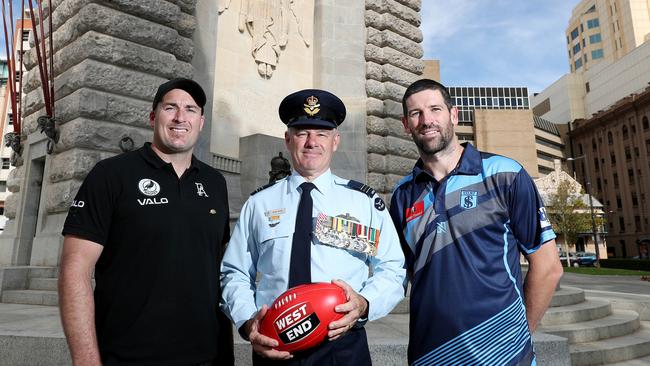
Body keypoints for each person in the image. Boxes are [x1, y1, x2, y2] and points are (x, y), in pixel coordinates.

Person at [220, 89, 406, 365]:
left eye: (321, 133)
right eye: (302, 132)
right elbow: (234, 272)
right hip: (274, 345)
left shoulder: (364, 202)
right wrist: (250, 324)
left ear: (335, 141)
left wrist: (364, 304)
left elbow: (393, 268)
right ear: (288, 139)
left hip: (342, 345)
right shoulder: (259, 204)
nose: (311, 142)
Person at [59, 78, 234, 365]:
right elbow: (74, 271)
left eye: (191, 109)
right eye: (170, 108)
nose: (180, 117)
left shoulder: (215, 183)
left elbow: (219, 270)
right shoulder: (111, 175)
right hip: (128, 356)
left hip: (206, 356)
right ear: (153, 116)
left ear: (201, 122)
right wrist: (86, 359)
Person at [389, 79, 563, 366]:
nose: (426, 120)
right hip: (429, 355)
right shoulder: (402, 195)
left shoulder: (505, 174)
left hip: (504, 357)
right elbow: (395, 274)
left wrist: (519, 335)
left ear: (453, 115)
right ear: (406, 124)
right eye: (416, 113)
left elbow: (548, 268)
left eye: (435, 109)